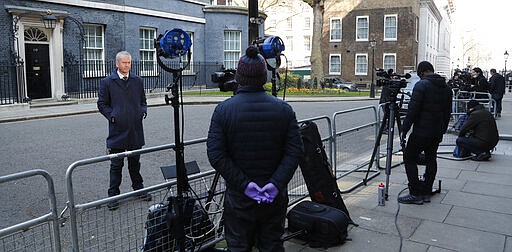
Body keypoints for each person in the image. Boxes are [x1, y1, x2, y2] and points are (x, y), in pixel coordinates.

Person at [206, 45, 303, 251]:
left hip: (240, 198)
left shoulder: (223, 110)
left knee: (239, 246)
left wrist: (245, 185)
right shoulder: (284, 110)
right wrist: (275, 184)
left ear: (239, 78)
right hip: (273, 198)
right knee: (272, 245)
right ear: (264, 78)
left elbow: (216, 155)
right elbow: (294, 151)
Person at [97, 51, 151, 210]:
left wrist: (143, 110)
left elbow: (143, 100)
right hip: (117, 130)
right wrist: (112, 116)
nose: (127, 65)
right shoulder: (107, 82)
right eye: (124, 63)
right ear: (117, 64)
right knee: (116, 165)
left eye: (129, 63)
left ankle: (138, 189)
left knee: (135, 163)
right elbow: (102, 104)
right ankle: (113, 195)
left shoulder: (138, 81)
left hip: (135, 129)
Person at [399, 61, 452, 204]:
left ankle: (415, 193)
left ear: (422, 73)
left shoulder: (421, 85)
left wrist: (404, 129)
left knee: (409, 158)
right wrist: (442, 130)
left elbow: (413, 111)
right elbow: (447, 113)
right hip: (436, 132)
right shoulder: (447, 88)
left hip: (421, 131)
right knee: (431, 159)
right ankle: (427, 190)